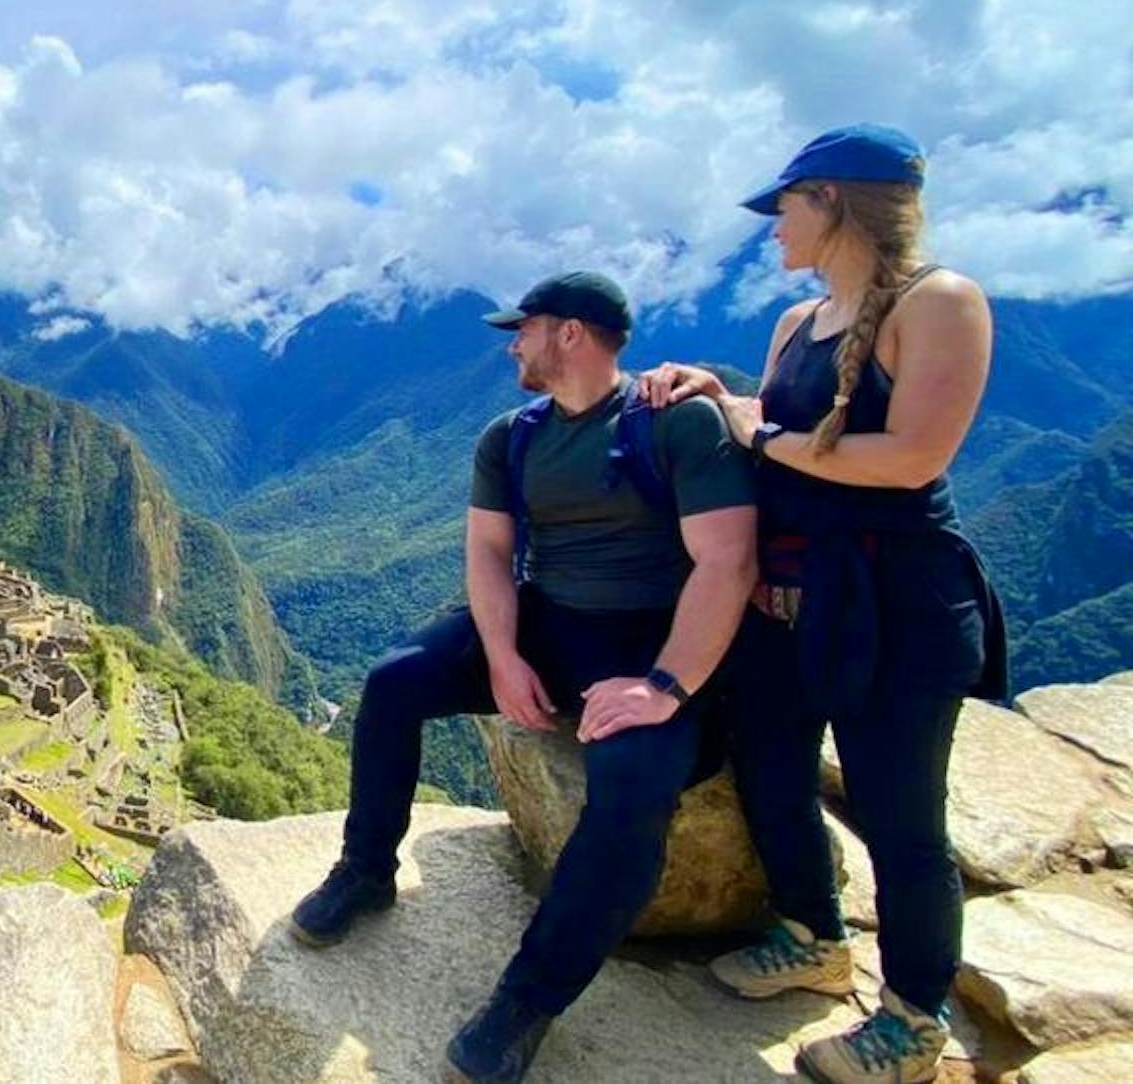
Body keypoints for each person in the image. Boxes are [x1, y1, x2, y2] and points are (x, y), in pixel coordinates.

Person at [287, 271, 759, 1082]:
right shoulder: (512, 436)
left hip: (653, 644)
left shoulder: (678, 425)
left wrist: (665, 686)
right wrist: (503, 658)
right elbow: (491, 554)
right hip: (545, 624)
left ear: (569, 334)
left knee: (633, 790)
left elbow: (728, 560)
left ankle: (527, 1001)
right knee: (395, 683)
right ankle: (367, 870)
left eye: (525, 329)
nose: (513, 344)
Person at [639, 124, 1004, 1084]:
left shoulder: (940, 305)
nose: (773, 231)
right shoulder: (799, 325)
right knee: (773, 775)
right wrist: (728, 399)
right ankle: (813, 936)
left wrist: (756, 439)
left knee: (901, 818)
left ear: (832, 201)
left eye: (785, 208)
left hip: (898, 605)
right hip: (785, 597)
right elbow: (789, 423)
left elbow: (914, 457)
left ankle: (914, 1017)